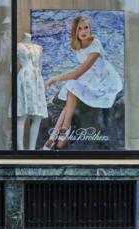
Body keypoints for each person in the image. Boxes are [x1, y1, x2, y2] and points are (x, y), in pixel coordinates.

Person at [44, 15, 122, 150]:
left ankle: (60, 132)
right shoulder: (78, 45)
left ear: (90, 29)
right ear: (75, 32)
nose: (83, 31)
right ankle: (57, 135)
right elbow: (82, 70)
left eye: (86, 28)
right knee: (70, 91)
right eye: (79, 29)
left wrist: (55, 78)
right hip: (90, 75)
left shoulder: (95, 44)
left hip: (103, 80)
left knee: (71, 85)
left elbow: (77, 74)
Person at [16, 33, 48, 150]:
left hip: (36, 81)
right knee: (22, 114)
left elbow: (40, 66)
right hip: (24, 79)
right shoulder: (18, 46)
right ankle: (19, 147)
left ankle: (32, 148)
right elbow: (10, 67)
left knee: (37, 116)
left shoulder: (39, 48)